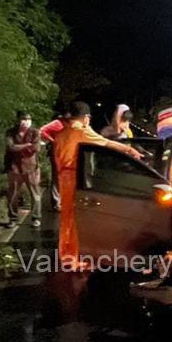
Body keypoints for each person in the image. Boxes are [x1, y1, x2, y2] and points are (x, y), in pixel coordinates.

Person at [51, 101, 143, 271]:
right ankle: (73, 258)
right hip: (74, 176)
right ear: (86, 118)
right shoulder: (82, 130)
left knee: (67, 216)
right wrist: (129, 150)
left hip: (63, 175)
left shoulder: (62, 132)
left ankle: (66, 254)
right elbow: (105, 143)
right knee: (75, 217)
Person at [5, 110, 43, 227]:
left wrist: (20, 147)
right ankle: (13, 218)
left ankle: (36, 217)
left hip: (31, 167)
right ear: (18, 120)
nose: (26, 122)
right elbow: (11, 147)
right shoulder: (11, 132)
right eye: (23, 119)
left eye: (28, 119)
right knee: (13, 193)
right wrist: (26, 145)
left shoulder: (35, 132)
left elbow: (35, 148)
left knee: (35, 194)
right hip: (15, 166)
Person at [39, 107, 71, 211]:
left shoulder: (71, 124)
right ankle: (56, 202)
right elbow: (42, 130)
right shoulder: (57, 123)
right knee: (57, 177)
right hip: (57, 153)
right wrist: (52, 140)